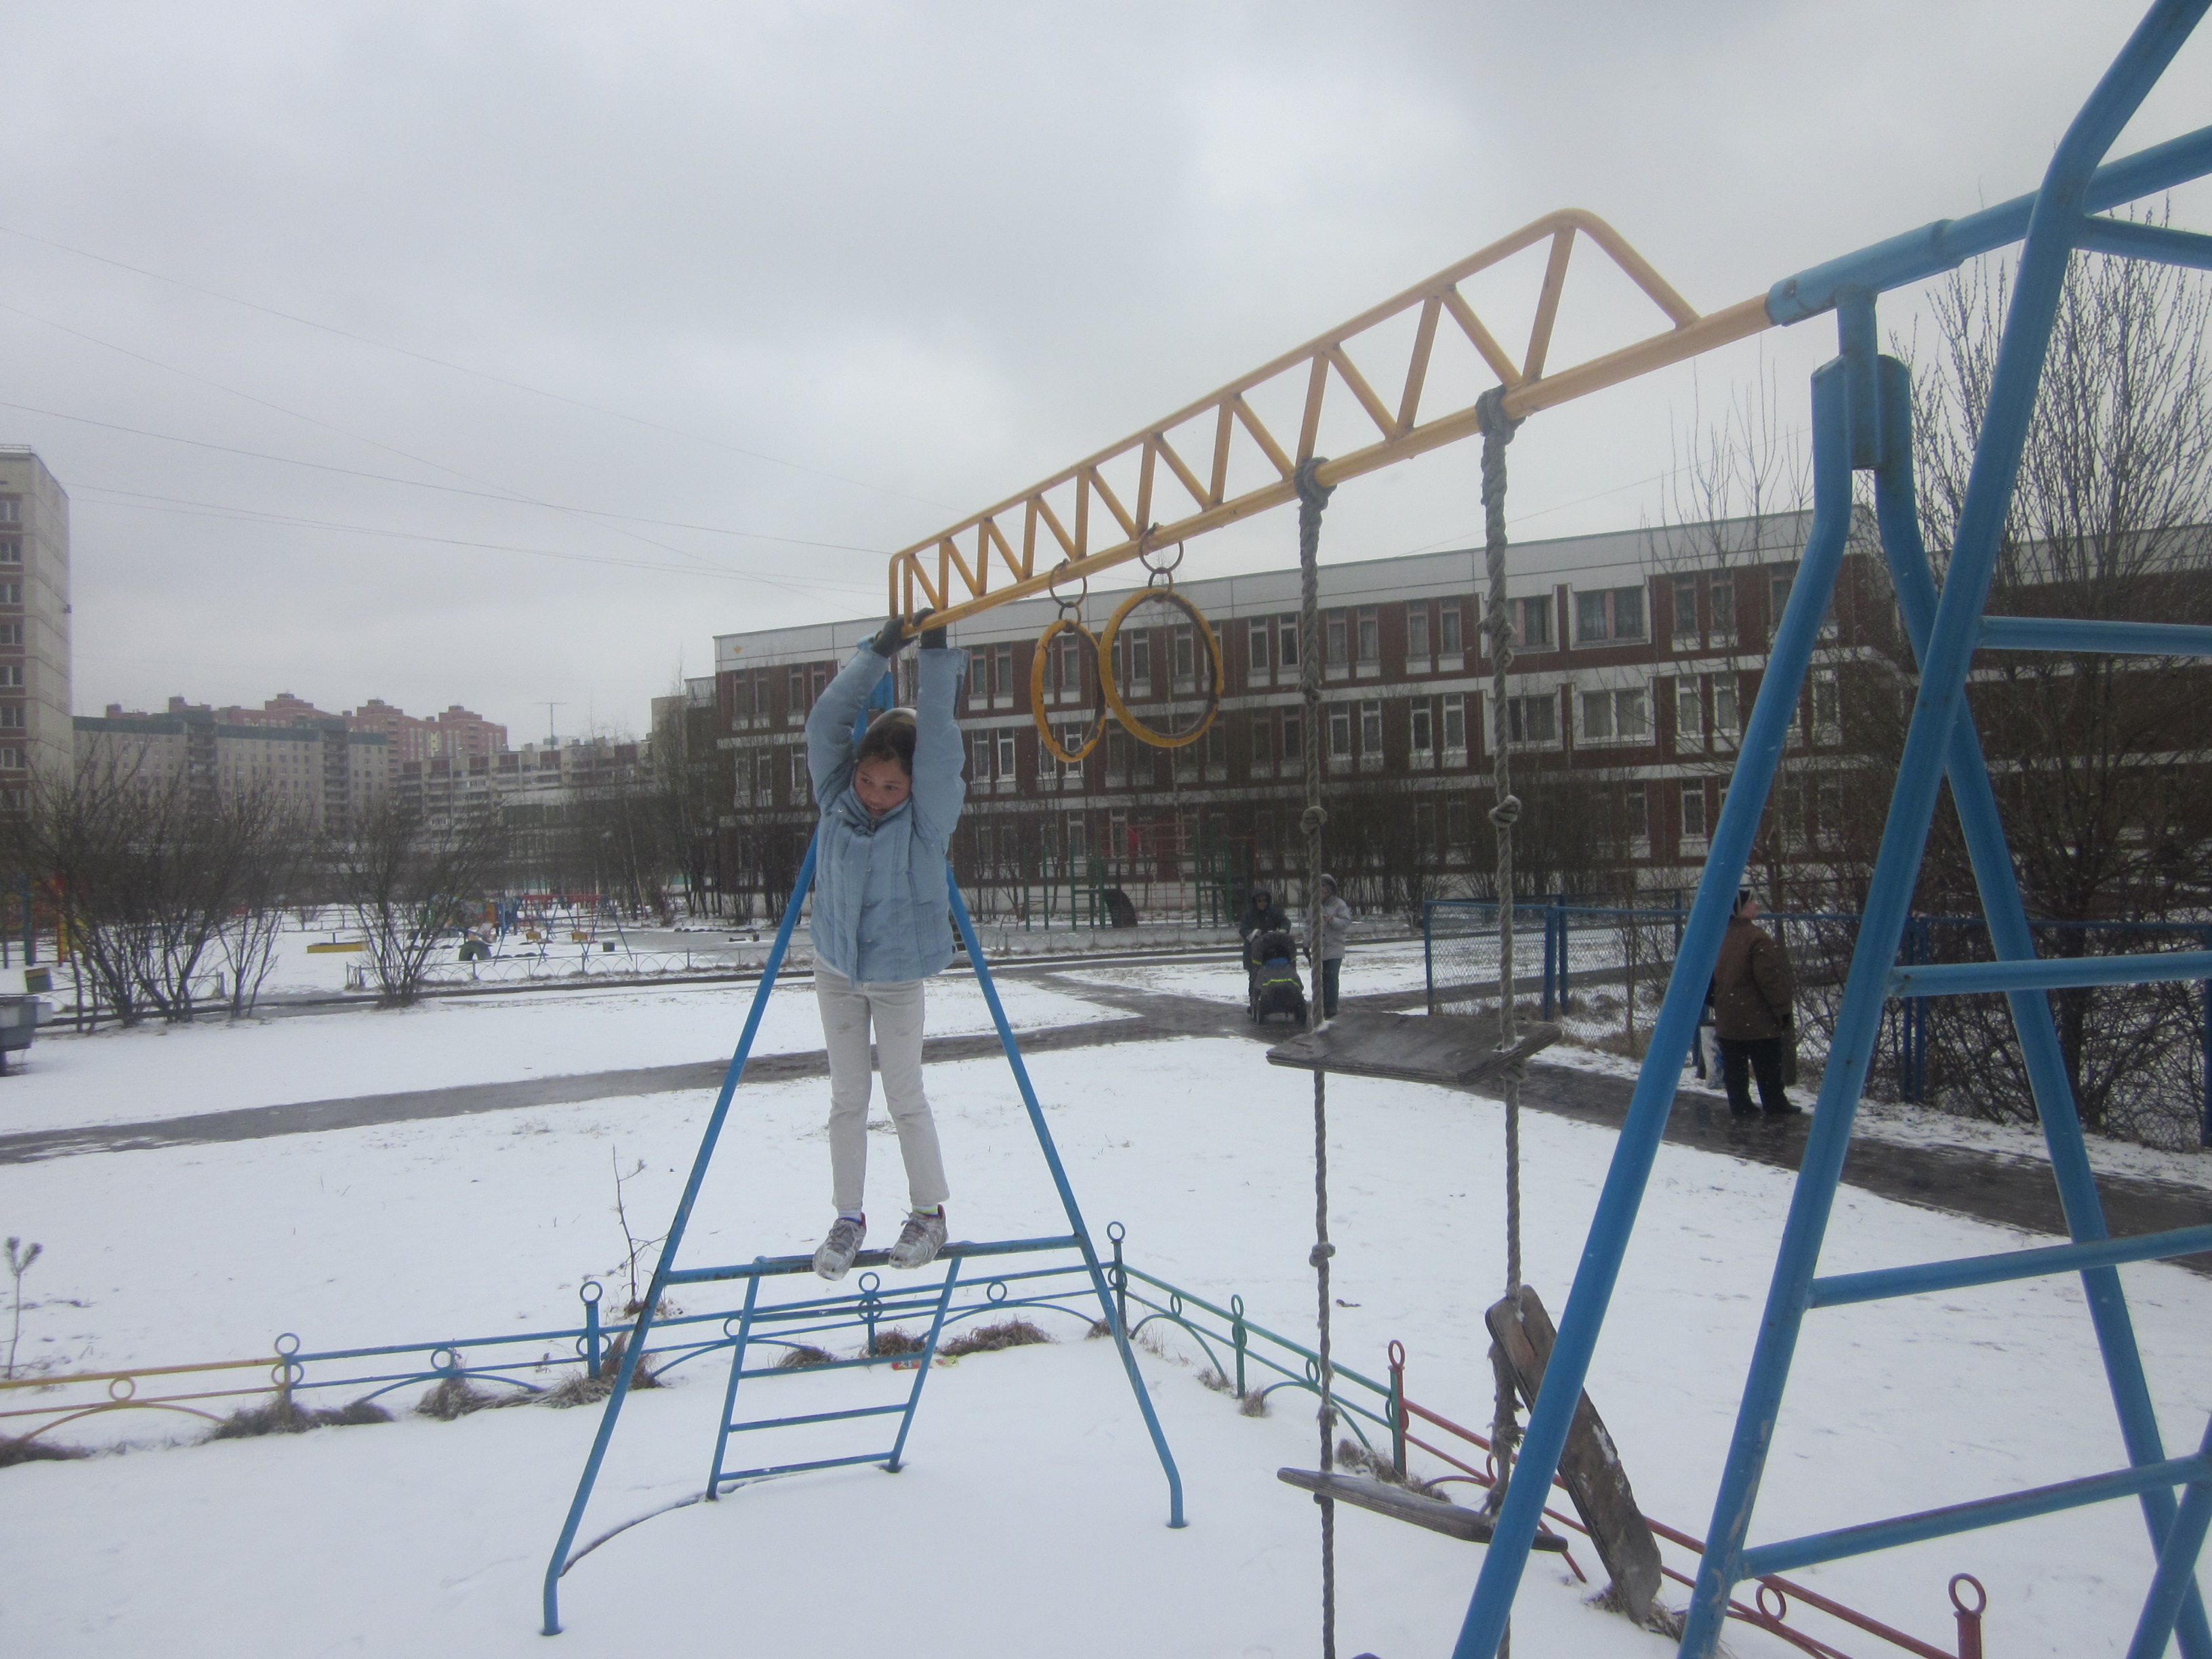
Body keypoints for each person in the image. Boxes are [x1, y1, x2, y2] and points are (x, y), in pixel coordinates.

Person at [805, 612, 968, 1280]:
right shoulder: (835, 798)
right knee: (847, 1097)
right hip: (836, 968)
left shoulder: (928, 817)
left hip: (899, 974)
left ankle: (929, 1213)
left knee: (904, 1094)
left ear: (914, 786)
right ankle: (848, 1218)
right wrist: (877, 653)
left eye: (891, 785)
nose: (876, 795)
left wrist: (934, 655)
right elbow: (825, 723)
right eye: (869, 781)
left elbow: (940, 746)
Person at [1711, 888, 1800, 1116]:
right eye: (1752, 902)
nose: (1756, 905)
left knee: (1735, 1064)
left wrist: (1716, 1000)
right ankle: (1774, 1102)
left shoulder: (1719, 936)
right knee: (1767, 1061)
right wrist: (1782, 1009)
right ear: (1741, 909)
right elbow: (1769, 979)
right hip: (1757, 1016)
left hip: (1728, 1013)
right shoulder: (1757, 938)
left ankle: (1740, 1105)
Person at [1313, 873, 1351, 1020]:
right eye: (1320, 888)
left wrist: (1332, 920)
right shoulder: (1314, 905)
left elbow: (1346, 922)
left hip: (1335, 945)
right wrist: (1306, 943)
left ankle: (1332, 1007)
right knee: (1322, 978)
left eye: (1325, 888)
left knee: (1332, 976)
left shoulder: (1339, 905)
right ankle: (1323, 1006)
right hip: (1320, 947)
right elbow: (1309, 925)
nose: (1323, 891)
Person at [1237, 887, 1283, 962]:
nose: (1263, 903)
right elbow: (1243, 929)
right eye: (1260, 901)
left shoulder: (1273, 912)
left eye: (1265, 900)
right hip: (1252, 948)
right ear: (1255, 902)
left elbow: (1284, 921)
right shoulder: (1249, 914)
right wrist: (1252, 934)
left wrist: (1283, 929)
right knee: (1254, 968)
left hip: (1271, 947)